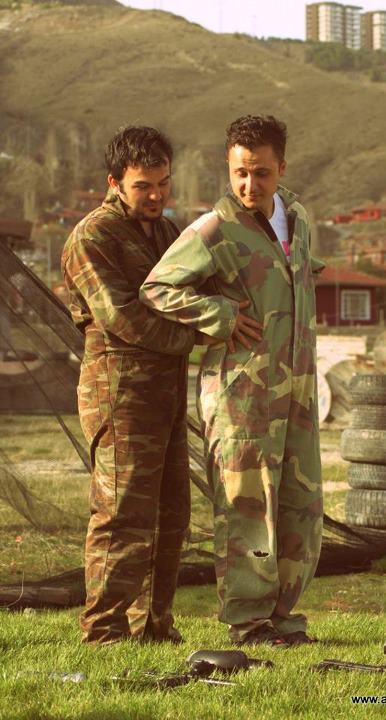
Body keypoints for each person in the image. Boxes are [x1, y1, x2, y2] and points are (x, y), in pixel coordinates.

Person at [140, 115, 324, 647]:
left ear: (281, 167)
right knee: (247, 507)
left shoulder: (299, 219)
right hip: (241, 394)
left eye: (261, 173)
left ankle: (283, 616)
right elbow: (157, 288)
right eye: (240, 172)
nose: (249, 185)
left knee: (300, 505)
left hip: (298, 391)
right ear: (228, 166)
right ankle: (248, 620)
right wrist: (218, 314)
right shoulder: (214, 228)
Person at [62, 126, 202, 644]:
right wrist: (195, 337)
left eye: (163, 183)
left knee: (170, 513)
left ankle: (153, 625)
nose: (157, 195)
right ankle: (104, 628)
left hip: (166, 391)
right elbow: (121, 317)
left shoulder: (167, 234)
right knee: (122, 512)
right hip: (119, 390)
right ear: (115, 182)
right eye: (143, 186)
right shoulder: (92, 237)